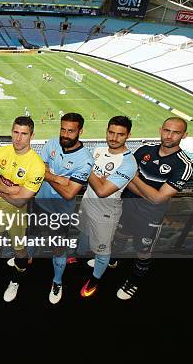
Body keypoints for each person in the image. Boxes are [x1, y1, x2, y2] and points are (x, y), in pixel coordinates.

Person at [112, 117, 193, 300]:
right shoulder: (145, 150)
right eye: (166, 130)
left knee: (143, 251)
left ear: (184, 135)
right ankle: (113, 260)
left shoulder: (184, 165)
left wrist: (135, 179)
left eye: (176, 132)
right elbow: (128, 180)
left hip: (150, 217)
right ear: (160, 130)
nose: (169, 136)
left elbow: (158, 199)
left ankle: (134, 280)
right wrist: (149, 194)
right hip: (127, 206)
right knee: (120, 236)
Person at [25, 113, 93, 304]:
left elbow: (69, 193)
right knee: (32, 234)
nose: (65, 134)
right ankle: (27, 258)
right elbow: (39, 167)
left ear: (81, 131)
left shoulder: (85, 160)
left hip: (61, 212)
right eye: (63, 129)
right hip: (39, 202)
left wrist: (46, 174)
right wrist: (57, 178)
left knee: (58, 248)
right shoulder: (52, 143)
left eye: (71, 130)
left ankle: (57, 281)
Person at [76, 116, 137, 298]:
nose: (114, 138)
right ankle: (80, 258)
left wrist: (87, 168)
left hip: (105, 214)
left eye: (120, 134)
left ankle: (95, 279)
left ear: (128, 135)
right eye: (111, 132)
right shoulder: (98, 150)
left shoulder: (128, 163)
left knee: (102, 251)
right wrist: (96, 177)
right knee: (84, 234)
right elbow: (96, 183)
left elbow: (103, 190)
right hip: (87, 203)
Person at [0, 117, 45, 301]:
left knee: (19, 250)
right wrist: (10, 189)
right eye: (15, 132)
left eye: (24, 134)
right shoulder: (1, 151)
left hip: (18, 215)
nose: (18, 138)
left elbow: (20, 202)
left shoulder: (36, 165)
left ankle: (17, 279)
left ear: (32, 136)